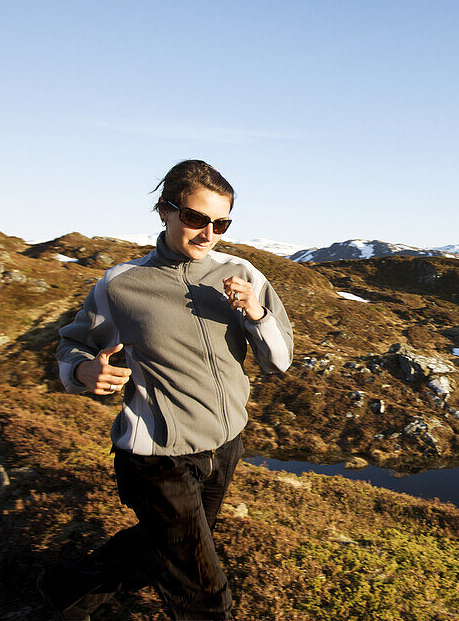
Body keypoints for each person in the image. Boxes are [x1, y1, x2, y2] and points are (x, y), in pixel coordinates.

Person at [39, 159, 293, 621]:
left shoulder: (242, 273)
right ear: (164, 210)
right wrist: (82, 374)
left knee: (167, 546)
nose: (208, 233)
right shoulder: (121, 284)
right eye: (195, 218)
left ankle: (63, 591)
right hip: (156, 457)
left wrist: (256, 313)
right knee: (203, 590)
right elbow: (72, 345)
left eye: (221, 222)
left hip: (224, 445)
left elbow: (279, 361)